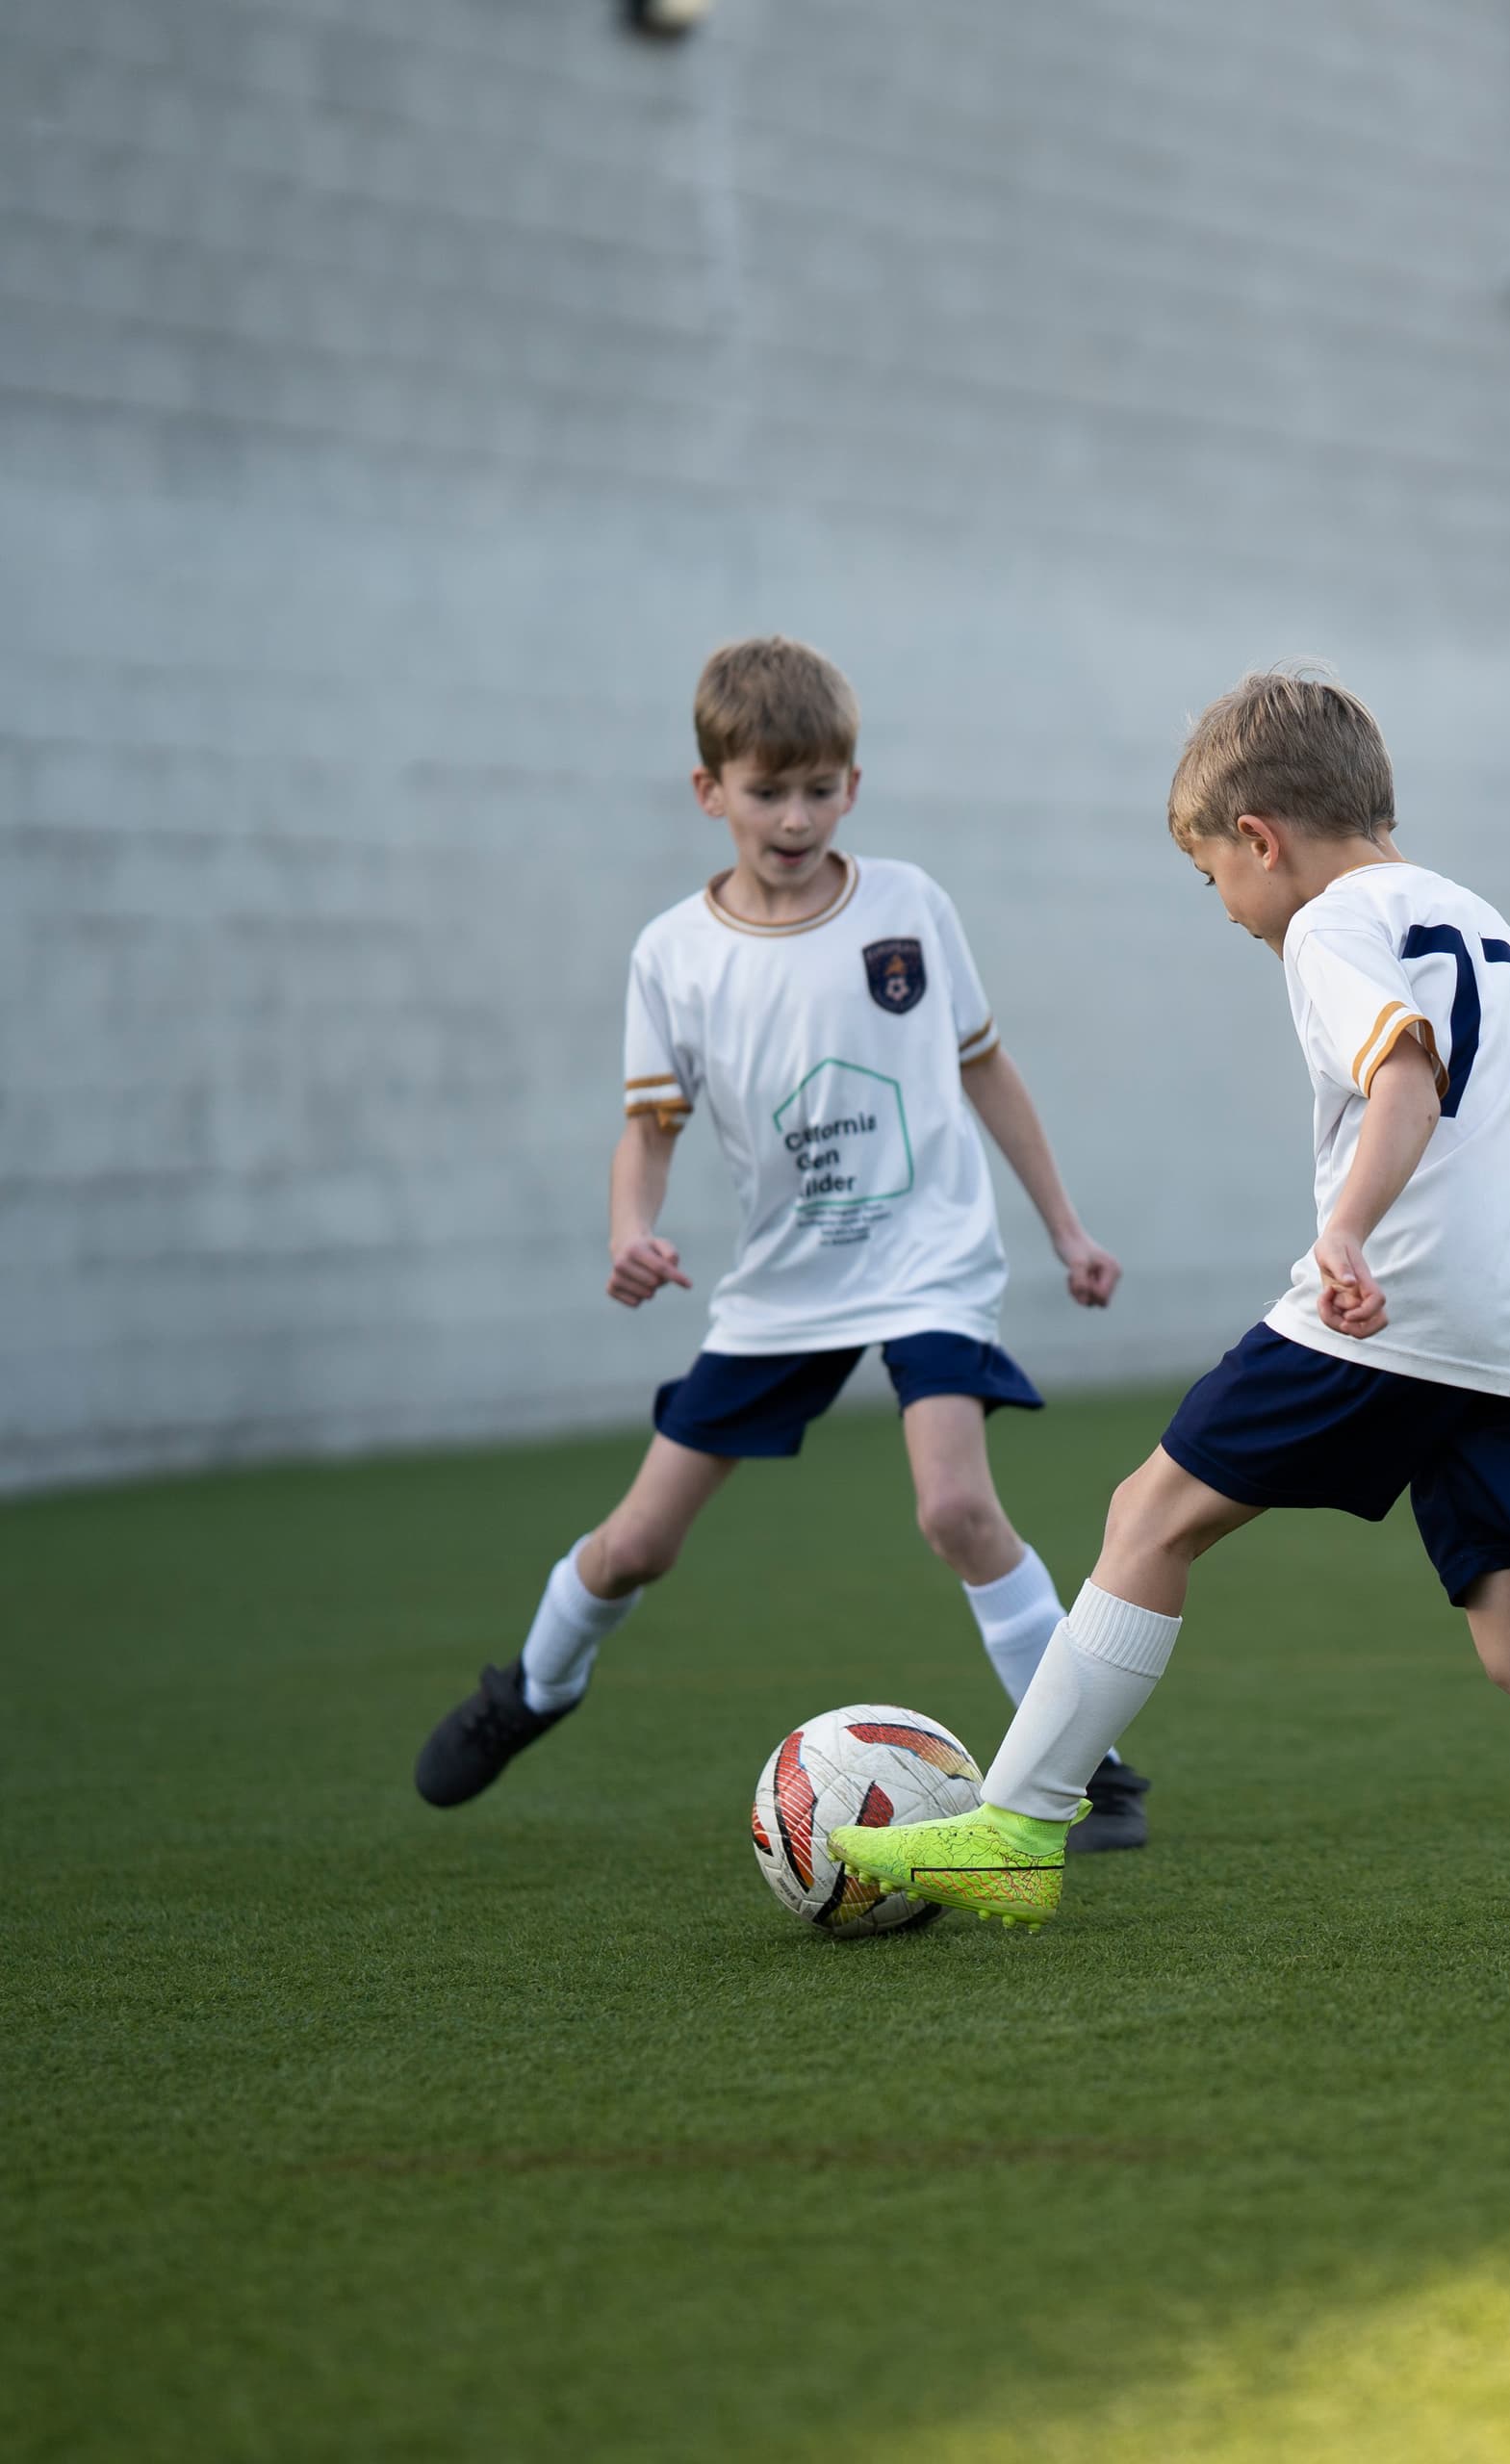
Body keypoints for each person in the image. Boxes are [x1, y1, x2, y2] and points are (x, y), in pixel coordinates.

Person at [826, 670, 1510, 1940]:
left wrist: (1348, 1228)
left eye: (1214, 879)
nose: (1230, 910)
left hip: (1399, 1304)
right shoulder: (1489, 930)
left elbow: (1406, 1079)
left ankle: (1017, 1828)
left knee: (1149, 1514)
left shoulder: (1329, 925)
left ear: (1259, 839)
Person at [412, 637, 1139, 1839]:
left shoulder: (908, 907)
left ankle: (1089, 1770)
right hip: (784, 1288)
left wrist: (1066, 1228)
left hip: (928, 1260)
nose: (795, 817)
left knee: (956, 1510)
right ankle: (532, 1688)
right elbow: (648, 1128)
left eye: (819, 788)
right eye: (766, 791)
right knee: (636, 1544)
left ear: (853, 785)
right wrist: (630, 1228)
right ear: (711, 791)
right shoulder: (674, 954)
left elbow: (985, 1068)